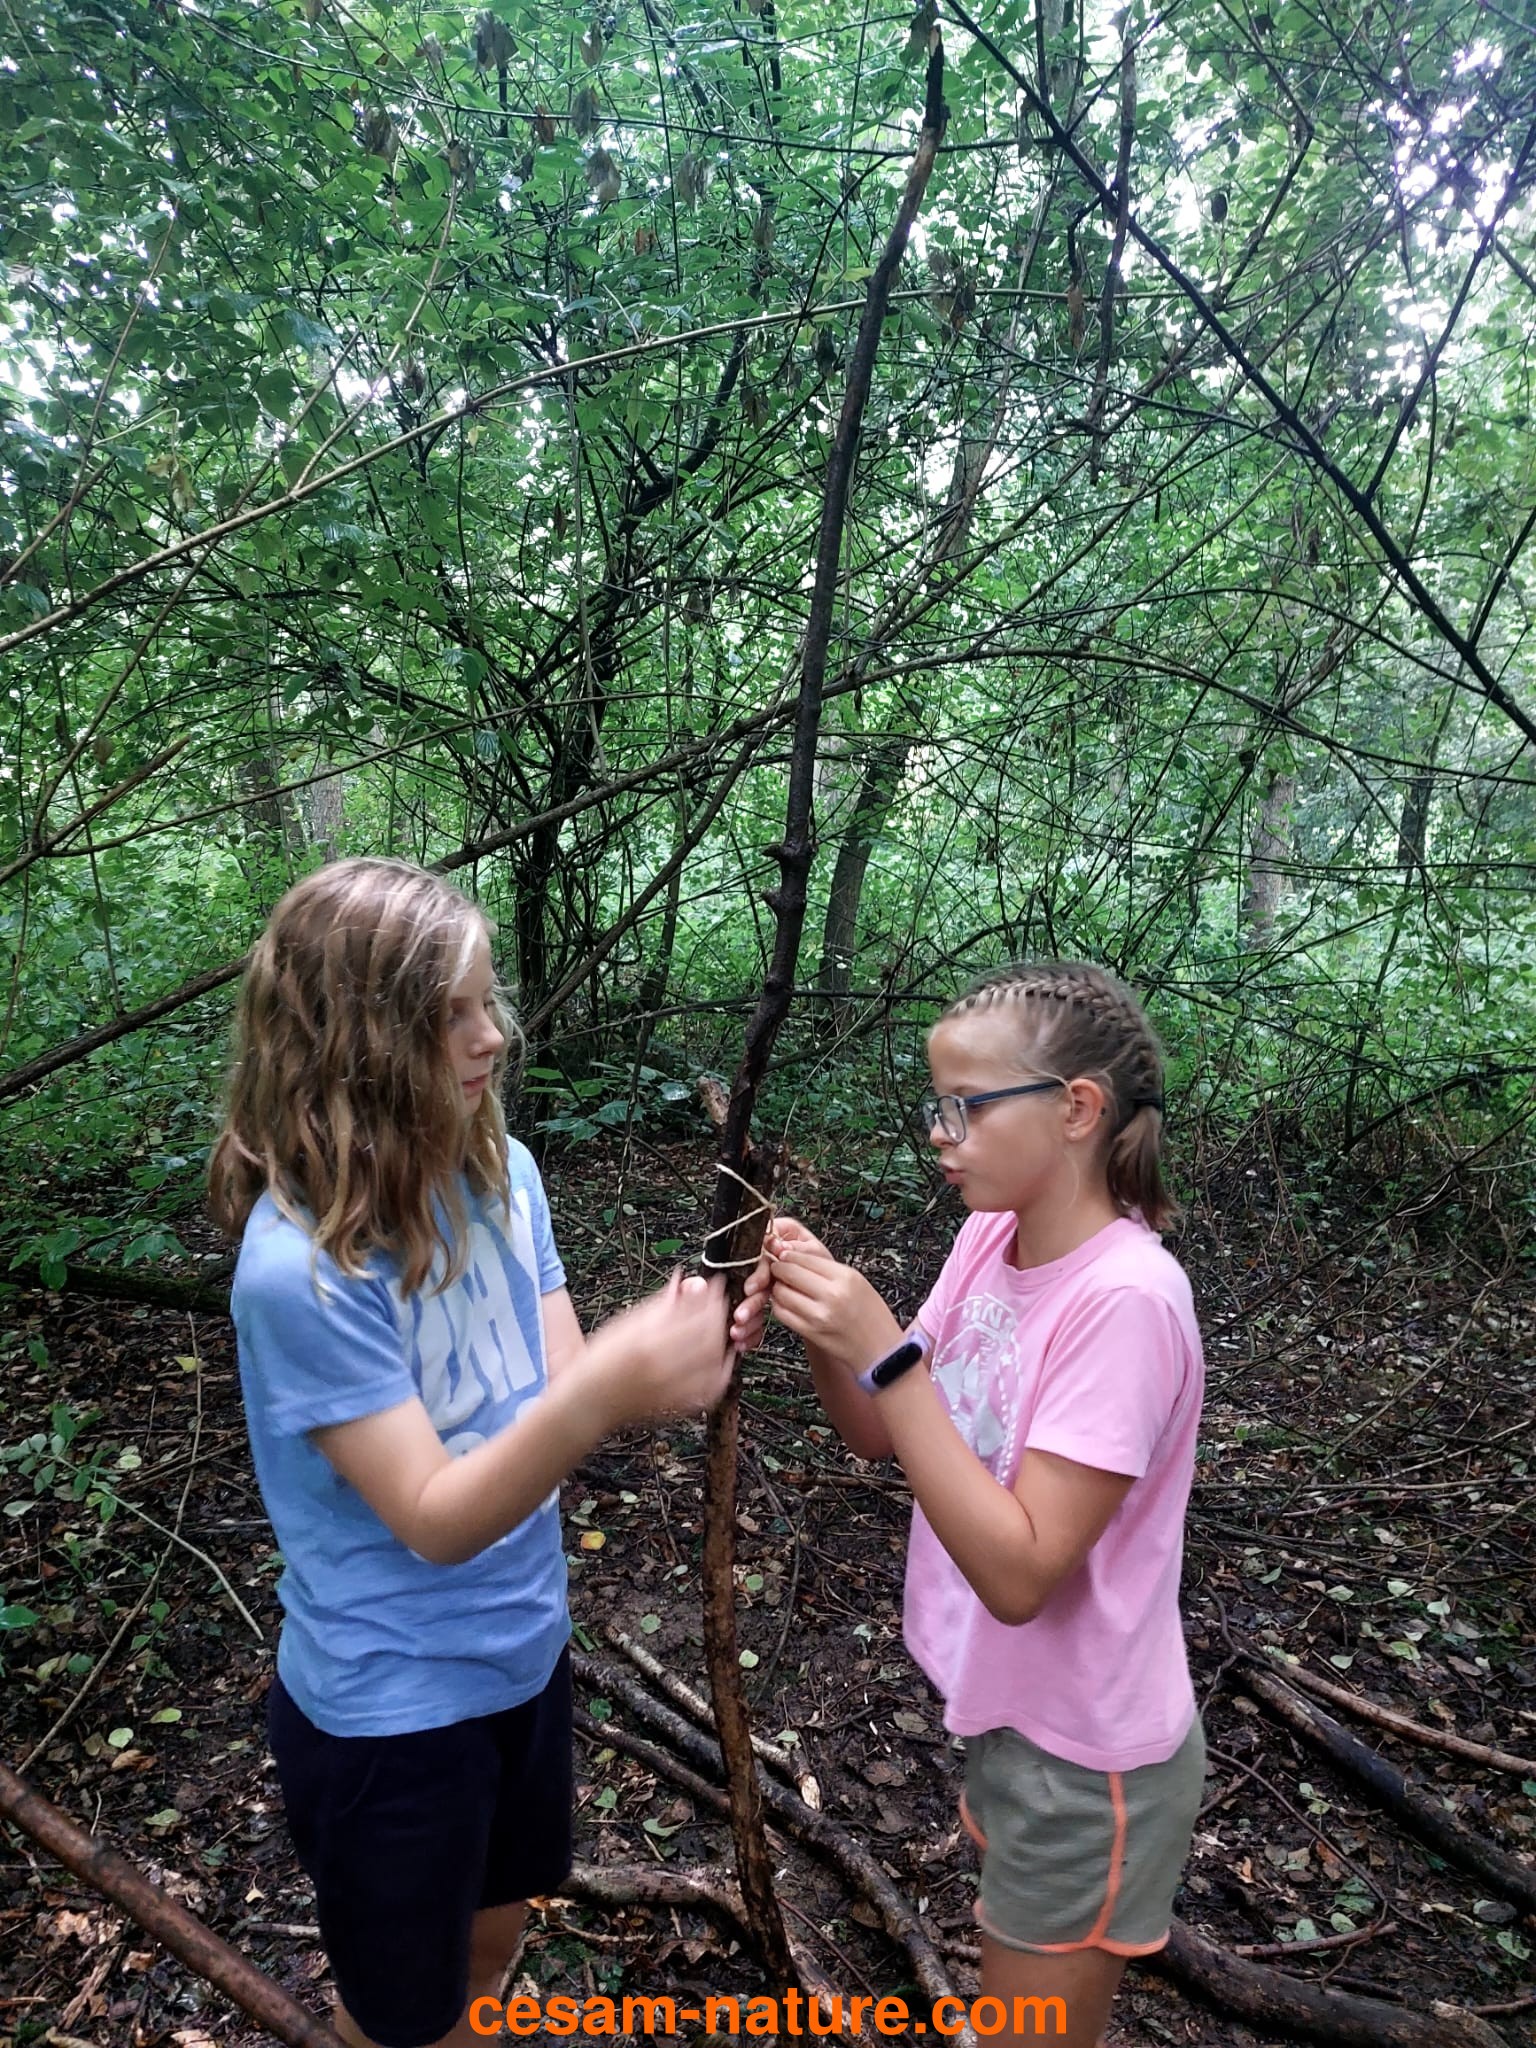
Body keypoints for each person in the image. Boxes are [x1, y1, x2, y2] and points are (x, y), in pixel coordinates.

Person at [210, 858, 741, 2048]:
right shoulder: (303, 1270)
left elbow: (556, 1386)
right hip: (390, 1713)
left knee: (490, 1946)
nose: (492, 1034)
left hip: (522, 1656)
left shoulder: (502, 1174)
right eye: (451, 1013)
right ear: (354, 1043)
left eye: (487, 999)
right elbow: (436, 1513)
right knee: (403, 2014)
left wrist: (664, 1358)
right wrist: (608, 1387)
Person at [749, 961, 1206, 2048]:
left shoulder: (1127, 1301)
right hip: (1015, 1713)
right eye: (936, 1105)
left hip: (1090, 1757)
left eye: (966, 1106)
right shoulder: (990, 1239)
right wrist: (828, 1327)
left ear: (1077, 1109)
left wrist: (883, 1351)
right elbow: (882, 1430)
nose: (939, 1134)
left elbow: (1019, 1572)